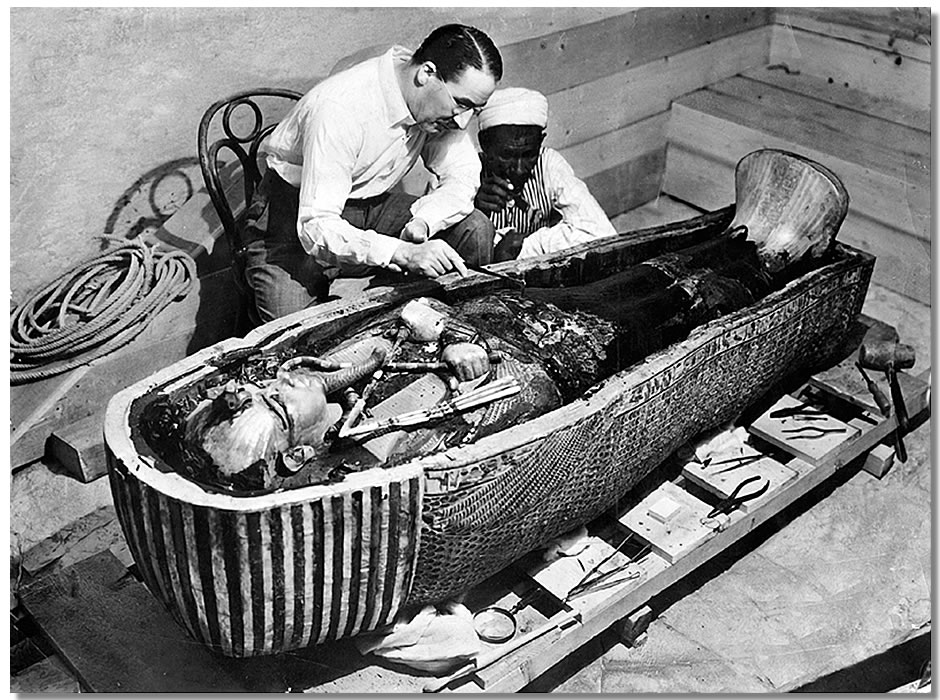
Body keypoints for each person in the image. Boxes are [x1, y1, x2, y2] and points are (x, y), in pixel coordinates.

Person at [245, 24, 504, 323]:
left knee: (473, 228)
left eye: (475, 110)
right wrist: (401, 252)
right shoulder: (341, 107)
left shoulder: (434, 101)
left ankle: (459, 327)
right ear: (426, 73)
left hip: (368, 208)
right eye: (461, 104)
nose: (463, 122)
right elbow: (317, 226)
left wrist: (425, 220)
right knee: (298, 334)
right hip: (292, 222)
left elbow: (462, 175)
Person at [473, 87, 617, 261]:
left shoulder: (548, 163)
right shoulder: (468, 170)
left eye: (529, 155)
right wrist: (473, 212)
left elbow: (600, 233)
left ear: (540, 142)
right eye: (506, 155)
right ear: (484, 144)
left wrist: (525, 247)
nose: (519, 169)